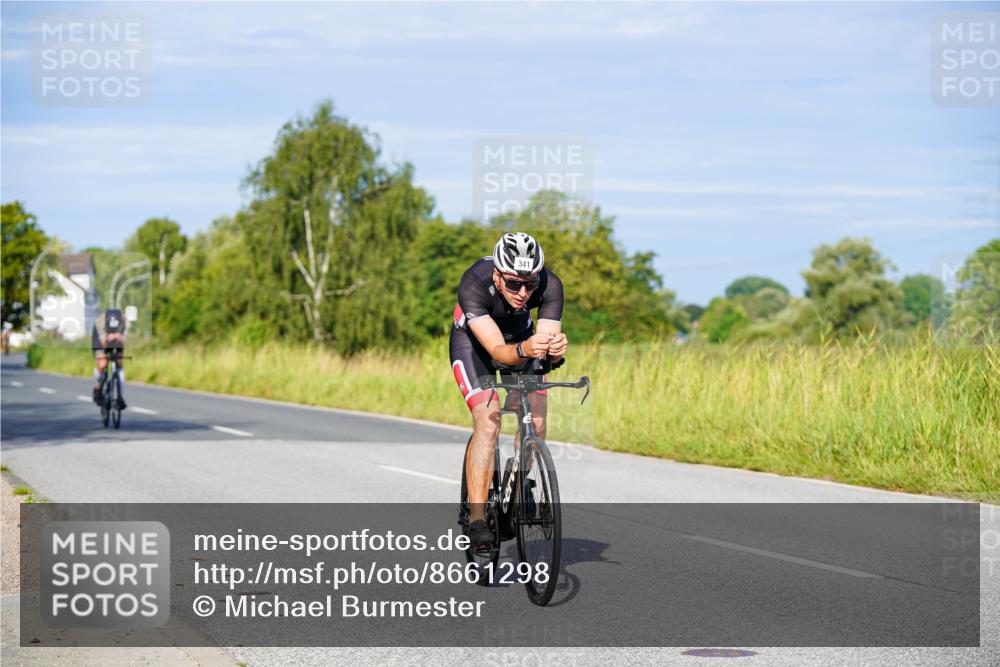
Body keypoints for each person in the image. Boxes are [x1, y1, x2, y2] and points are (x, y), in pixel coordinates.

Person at [450, 232, 567, 549]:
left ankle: (521, 484)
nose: (523, 293)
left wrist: (553, 349)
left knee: (537, 420)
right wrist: (529, 350)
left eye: (529, 284)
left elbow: (545, 344)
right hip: (476, 346)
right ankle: (476, 520)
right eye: (514, 284)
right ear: (497, 274)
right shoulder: (474, 283)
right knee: (489, 421)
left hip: (522, 342)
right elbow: (499, 351)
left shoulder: (549, 284)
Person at [92, 308, 127, 409]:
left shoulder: (125, 322)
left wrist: (117, 337)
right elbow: (103, 342)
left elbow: (123, 340)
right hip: (100, 340)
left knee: (119, 362)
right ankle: (97, 388)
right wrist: (108, 338)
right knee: (102, 363)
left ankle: (120, 396)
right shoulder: (100, 322)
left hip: (115, 340)